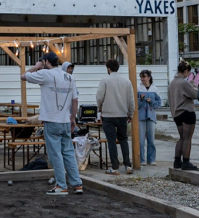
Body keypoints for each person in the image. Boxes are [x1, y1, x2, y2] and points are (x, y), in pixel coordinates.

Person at [22, 52, 82, 194]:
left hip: (51, 119)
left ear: (46, 62)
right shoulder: (69, 77)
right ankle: (77, 183)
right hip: (65, 120)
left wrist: (36, 67)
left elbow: (23, 76)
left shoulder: (45, 74)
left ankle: (61, 185)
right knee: (68, 153)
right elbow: (75, 100)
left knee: (55, 154)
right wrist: (73, 118)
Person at [95, 58, 135, 175]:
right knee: (123, 140)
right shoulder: (126, 81)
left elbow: (99, 97)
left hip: (108, 115)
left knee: (111, 141)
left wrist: (100, 107)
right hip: (122, 115)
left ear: (108, 68)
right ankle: (128, 165)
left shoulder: (105, 80)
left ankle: (115, 167)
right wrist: (130, 114)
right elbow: (131, 100)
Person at [168, 60, 198, 170]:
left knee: (181, 137)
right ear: (185, 71)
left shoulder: (172, 83)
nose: (188, 75)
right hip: (187, 112)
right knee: (187, 138)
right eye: (188, 73)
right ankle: (186, 162)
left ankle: (177, 161)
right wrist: (193, 85)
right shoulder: (183, 82)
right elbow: (195, 94)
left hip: (177, 113)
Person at [137, 69, 162, 165]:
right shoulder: (138, 89)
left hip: (151, 116)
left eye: (144, 77)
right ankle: (141, 160)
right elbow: (136, 104)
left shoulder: (155, 89)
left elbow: (158, 104)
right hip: (141, 116)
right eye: (141, 77)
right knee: (141, 140)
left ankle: (151, 159)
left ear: (149, 77)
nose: (142, 79)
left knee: (151, 139)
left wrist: (151, 101)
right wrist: (141, 99)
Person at [62, 61, 79, 131]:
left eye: (71, 68)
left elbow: (75, 99)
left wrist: (73, 115)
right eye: (68, 68)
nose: (70, 70)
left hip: (70, 112)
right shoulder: (60, 81)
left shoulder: (72, 80)